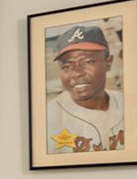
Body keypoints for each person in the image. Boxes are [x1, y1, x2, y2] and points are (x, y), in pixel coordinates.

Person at [45, 23, 124, 152]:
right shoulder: (48, 118)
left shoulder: (128, 104)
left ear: (108, 63)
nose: (77, 73)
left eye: (88, 62)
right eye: (67, 66)